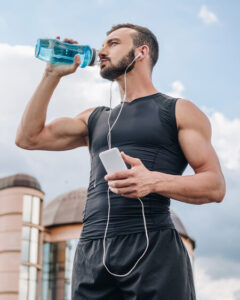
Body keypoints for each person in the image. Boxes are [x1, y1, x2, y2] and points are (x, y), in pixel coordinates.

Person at [15, 24, 226, 299]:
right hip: (91, 253)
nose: (102, 51)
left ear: (141, 52)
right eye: (103, 45)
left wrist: (153, 180)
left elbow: (215, 186)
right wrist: (51, 75)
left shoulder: (179, 111)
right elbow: (28, 138)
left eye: (113, 43)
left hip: (153, 248)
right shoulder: (95, 118)